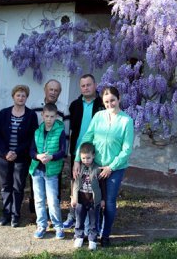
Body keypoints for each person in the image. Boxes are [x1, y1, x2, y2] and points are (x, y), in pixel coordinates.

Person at [73, 86, 134, 247]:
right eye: (106, 102)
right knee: (92, 200)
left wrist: (111, 167)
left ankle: (105, 234)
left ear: (119, 99)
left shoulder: (126, 121)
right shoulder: (99, 116)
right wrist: (78, 159)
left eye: (112, 100)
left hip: (114, 168)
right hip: (94, 166)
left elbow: (126, 149)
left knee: (109, 202)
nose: (110, 104)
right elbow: (87, 137)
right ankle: (91, 231)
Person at [63, 74, 105, 229]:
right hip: (77, 152)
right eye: (83, 85)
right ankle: (72, 216)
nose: (86, 88)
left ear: (95, 85)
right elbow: (72, 129)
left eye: (89, 85)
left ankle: (95, 220)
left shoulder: (102, 104)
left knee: (95, 185)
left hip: (96, 154)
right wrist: (72, 154)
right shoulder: (74, 105)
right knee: (75, 183)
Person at [0, 85, 39, 228]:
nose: (20, 98)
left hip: (22, 157)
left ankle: (15, 215)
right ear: (13, 96)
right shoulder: (4, 113)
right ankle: (6, 214)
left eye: (23, 96)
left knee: (18, 187)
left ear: (26, 98)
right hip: (3, 157)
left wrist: (16, 152)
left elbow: (32, 137)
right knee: (5, 186)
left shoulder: (31, 115)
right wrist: (6, 151)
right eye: (18, 95)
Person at [29, 103, 67, 239]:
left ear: (56, 116)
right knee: (39, 200)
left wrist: (51, 157)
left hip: (51, 171)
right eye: (47, 116)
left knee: (52, 201)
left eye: (52, 116)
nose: (49, 119)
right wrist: (38, 156)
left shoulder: (60, 131)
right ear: (42, 115)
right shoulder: (37, 131)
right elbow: (31, 151)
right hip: (37, 170)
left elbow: (63, 151)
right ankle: (41, 225)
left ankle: (58, 226)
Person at [30, 79, 65, 213]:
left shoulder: (63, 108)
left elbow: (65, 132)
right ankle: (36, 214)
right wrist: (34, 153)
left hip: (54, 156)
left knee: (53, 188)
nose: (53, 92)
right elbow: (32, 129)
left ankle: (52, 214)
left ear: (59, 93)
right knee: (36, 187)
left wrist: (62, 154)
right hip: (37, 153)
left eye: (56, 90)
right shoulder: (35, 105)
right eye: (51, 89)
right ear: (45, 89)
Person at [71, 142, 106, 251]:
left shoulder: (97, 169)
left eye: (88, 158)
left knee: (93, 221)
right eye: (83, 158)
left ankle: (92, 240)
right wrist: (73, 197)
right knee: (79, 220)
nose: (86, 160)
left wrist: (103, 199)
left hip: (93, 200)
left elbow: (102, 185)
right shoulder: (79, 168)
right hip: (81, 199)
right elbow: (74, 182)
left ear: (93, 156)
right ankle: (79, 237)